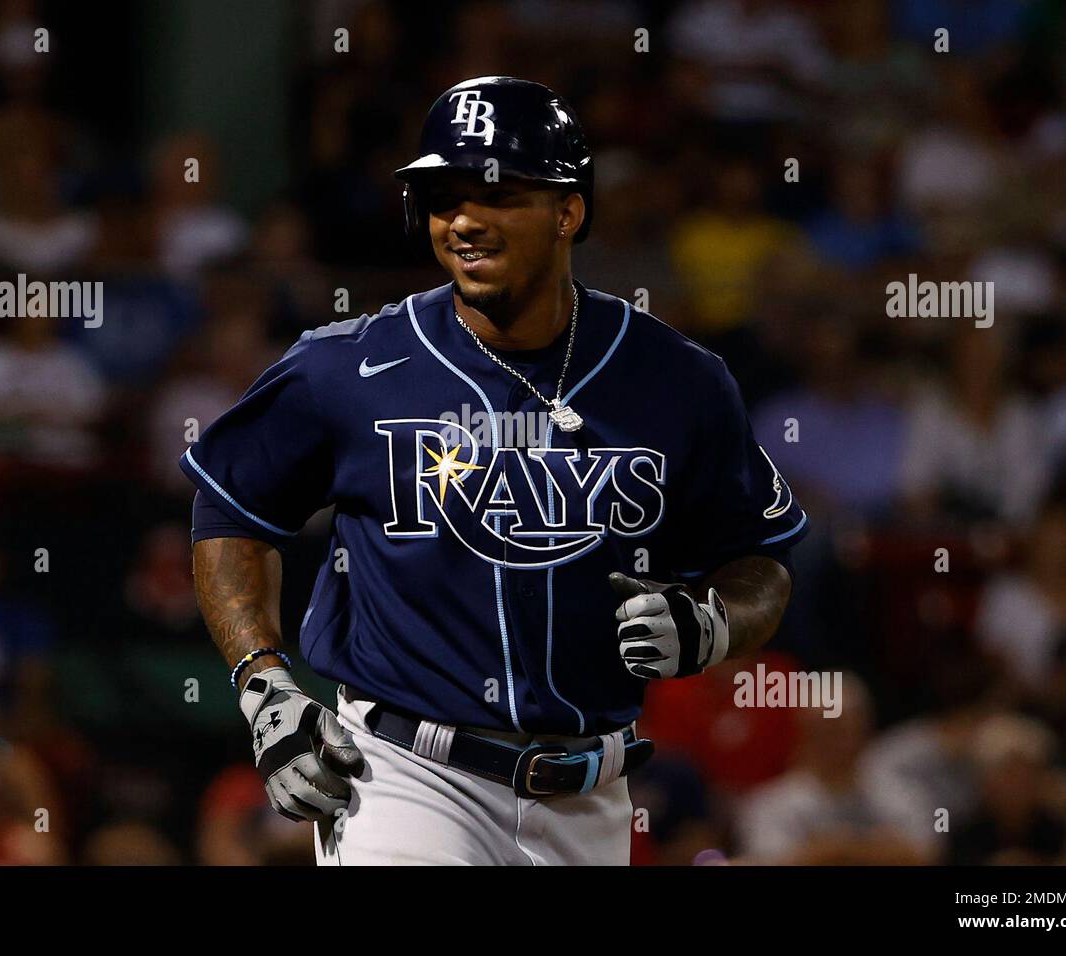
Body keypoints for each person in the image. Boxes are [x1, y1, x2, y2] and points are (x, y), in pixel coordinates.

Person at [182, 76, 807, 865]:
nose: (465, 221)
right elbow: (231, 508)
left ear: (569, 210)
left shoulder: (676, 378)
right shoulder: (348, 365)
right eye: (442, 199)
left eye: (499, 194)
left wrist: (714, 621)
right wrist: (263, 684)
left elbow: (762, 557)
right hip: (405, 778)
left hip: (593, 794)